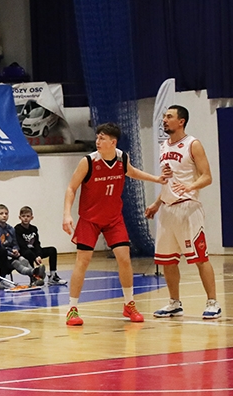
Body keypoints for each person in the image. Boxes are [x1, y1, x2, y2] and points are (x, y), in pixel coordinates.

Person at [62, 123, 167, 326]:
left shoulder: (121, 158)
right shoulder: (89, 161)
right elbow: (71, 188)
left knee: (124, 259)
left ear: (113, 142)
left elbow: (133, 172)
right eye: (97, 138)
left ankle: (129, 304)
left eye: (102, 138)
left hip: (113, 219)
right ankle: (72, 309)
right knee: (82, 262)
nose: (98, 141)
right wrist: (67, 214)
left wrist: (157, 179)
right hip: (90, 219)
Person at [147, 105, 220, 319]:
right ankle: (174, 303)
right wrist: (156, 203)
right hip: (168, 210)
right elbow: (168, 181)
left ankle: (213, 302)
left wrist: (191, 186)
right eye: (164, 117)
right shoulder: (163, 147)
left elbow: (207, 176)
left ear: (181, 121)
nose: (164, 120)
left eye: (169, 117)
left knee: (200, 257)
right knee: (167, 260)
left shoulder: (192, 144)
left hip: (188, 208)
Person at [0, 203, 46, 286]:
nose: (4, 216)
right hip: (1, 254)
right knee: (16, 263)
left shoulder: (11, 229)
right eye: (1, 213)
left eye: (6, 213)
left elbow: (15, 243)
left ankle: (35, 278)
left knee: (24, 260)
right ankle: (34, 272)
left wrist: (16, 249)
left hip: (12, 253)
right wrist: (11, 253)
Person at [15, 205, 66, 285]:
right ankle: (33, 277)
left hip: (35, 251)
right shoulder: (17, 229)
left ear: (32, 217)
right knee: (28, 254)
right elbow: (22, 246)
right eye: (23, 216)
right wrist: (35, 257)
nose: (25, 218)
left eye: (28, 216)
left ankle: (53, 276)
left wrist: (38, 255)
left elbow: (37, 243)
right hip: (25, 252)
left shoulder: (34, 229)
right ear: (20, 217)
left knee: (52, 250)